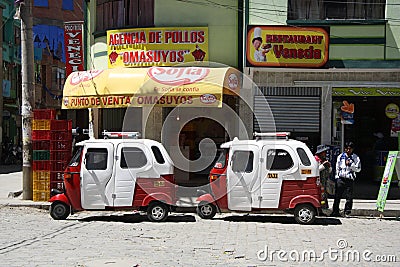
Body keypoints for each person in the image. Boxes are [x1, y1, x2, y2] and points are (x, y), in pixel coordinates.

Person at [331, 141, 361, 217]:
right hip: (341, 178)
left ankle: (347, 212)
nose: (348, 150)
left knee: (349, 197)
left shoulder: (355, 158)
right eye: (347, 149)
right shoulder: (340, 156)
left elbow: (358, 169)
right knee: (337, 196)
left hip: (349, 179)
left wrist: (351, 165)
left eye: (350, 149)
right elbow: (337, 167)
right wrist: (337, 177)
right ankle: (335, 211)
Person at [314, 145, 332, 209]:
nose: (325, 153)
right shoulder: (315, 160)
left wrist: (329, 166)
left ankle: (323, 208)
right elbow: (315, 170)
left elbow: (329, 171)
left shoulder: (324, 160)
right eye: (324, 152)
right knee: (320, 196)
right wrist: (323, 165)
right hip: (318, 182)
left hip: (324, 182)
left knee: (324, 196)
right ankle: (320, 209)